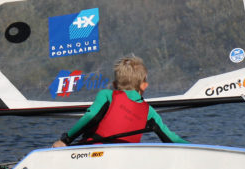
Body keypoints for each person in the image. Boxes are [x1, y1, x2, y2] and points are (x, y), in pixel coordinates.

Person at [51, 56, 188, 147]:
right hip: (125, 159)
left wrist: (65, 140)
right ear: (143, 86)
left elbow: (91, 116)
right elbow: (171, 139)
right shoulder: (149, 111)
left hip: (93, 153)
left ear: (114, 84)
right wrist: (197, 148)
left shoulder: (107, 95)